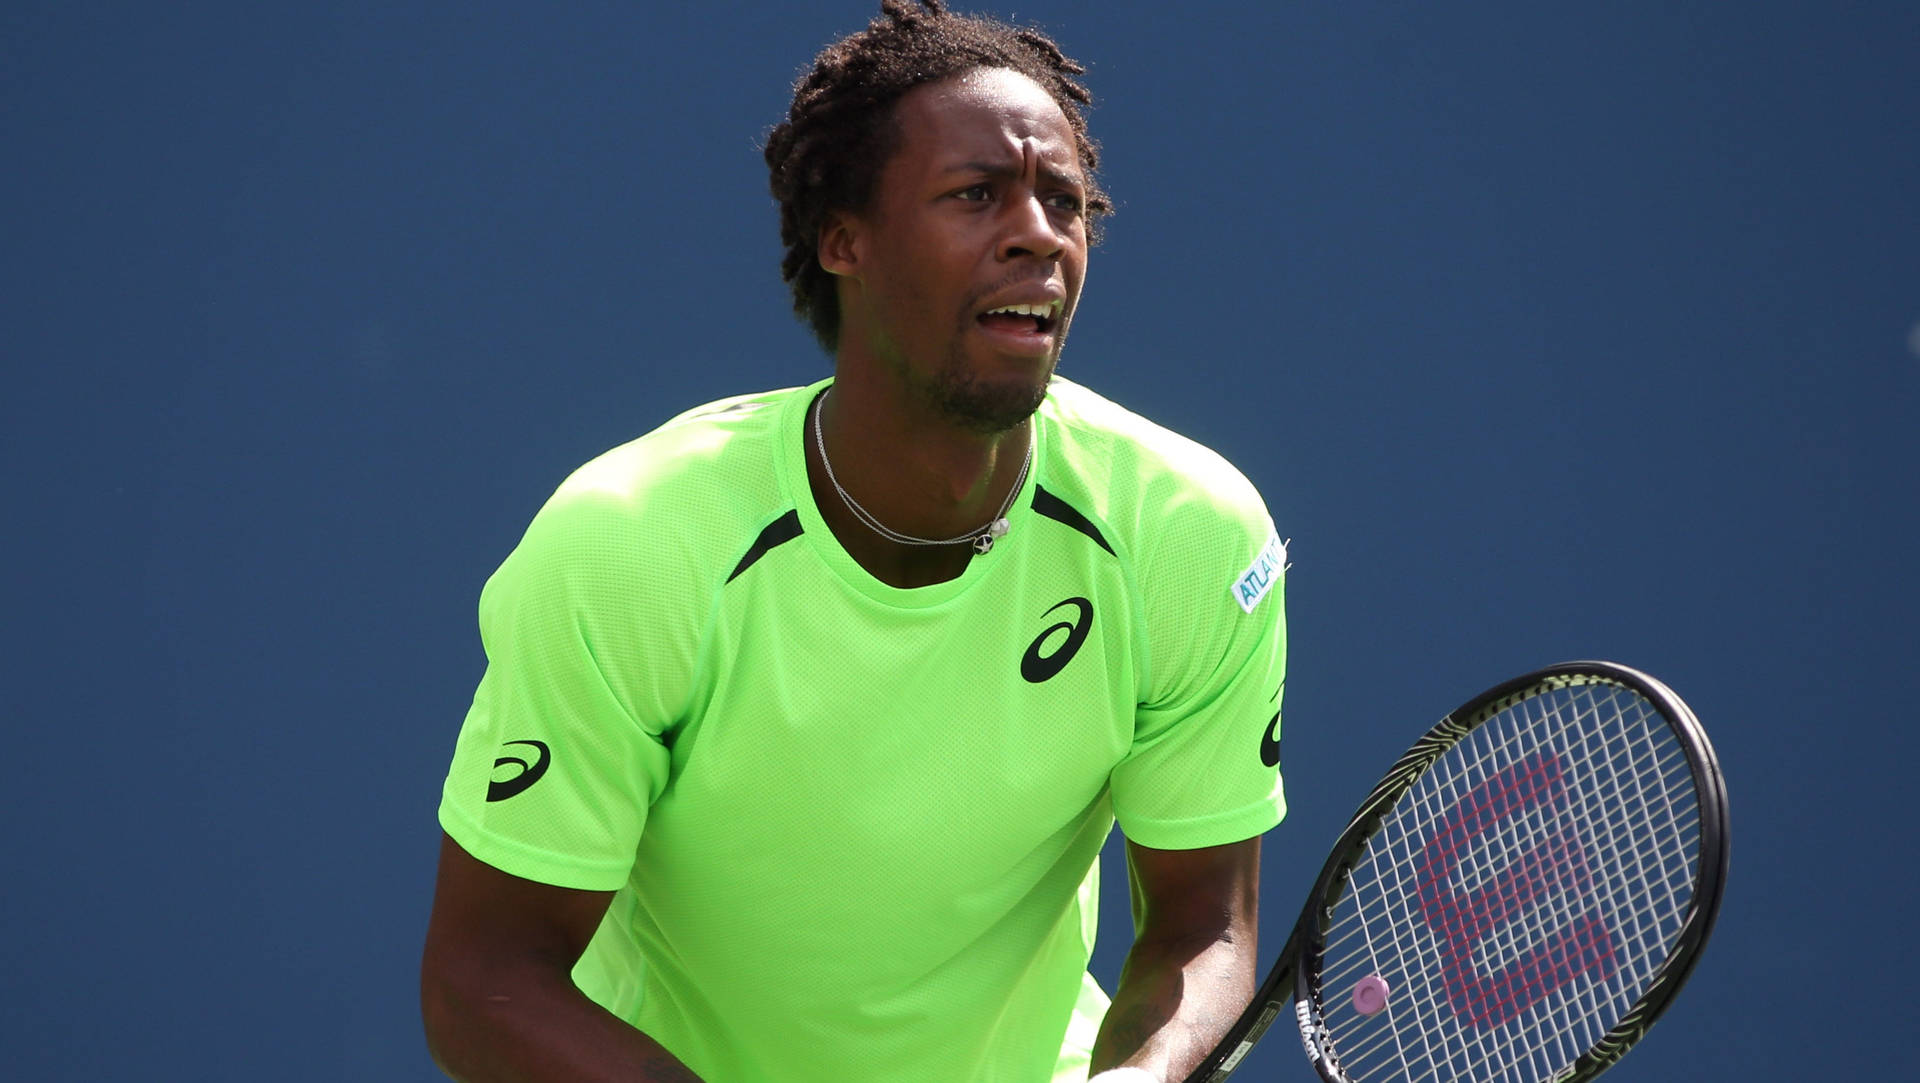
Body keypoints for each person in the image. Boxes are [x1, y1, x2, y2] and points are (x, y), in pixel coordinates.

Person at [419, 2, 1289, 1080]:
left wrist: (1140, 1079)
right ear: (846, 241)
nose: (1039, 234)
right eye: (977, 195)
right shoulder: (636, 547)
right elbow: (484, 978)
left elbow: (1204, 922)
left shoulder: (1187, 534)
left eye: (1063, 202)